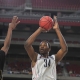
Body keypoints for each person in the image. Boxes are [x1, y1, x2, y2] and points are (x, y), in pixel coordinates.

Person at [24, 16, 68, 80]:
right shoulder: (35, 57)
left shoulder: (54, 59)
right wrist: (40, 29)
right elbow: (27, 45)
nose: (42, 46)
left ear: (49, 49)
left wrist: (57, 29)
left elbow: (64, 49)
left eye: (44, 45)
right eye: (40, 45)